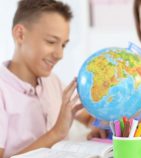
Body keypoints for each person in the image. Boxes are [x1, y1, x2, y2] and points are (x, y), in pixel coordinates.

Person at [0, 0, 97, 157]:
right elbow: (60, 129)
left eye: (63, 45)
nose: (59, 54)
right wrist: (56, 133)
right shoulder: (3, 91)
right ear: (20, 34)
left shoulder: (53, 82)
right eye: (51, 42)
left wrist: (97, 125)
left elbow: (86, 117)